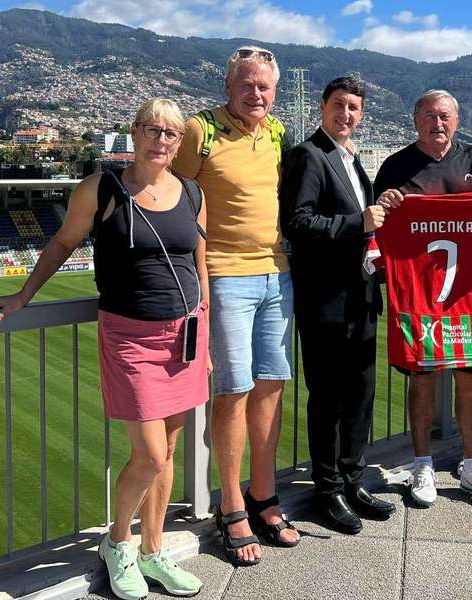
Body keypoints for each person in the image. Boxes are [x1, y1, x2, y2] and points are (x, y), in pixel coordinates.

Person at [0, 98, 206, 598]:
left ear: (179, 142)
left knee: (168, 449)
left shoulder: (191, 192)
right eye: (151, 129)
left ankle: (154, 551)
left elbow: (198, 263)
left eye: (170, 133)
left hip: (184, 335)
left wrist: (204, 330)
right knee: (149, 456)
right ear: (134, 132)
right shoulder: (103, 188)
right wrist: (22, 295)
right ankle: (118, 543)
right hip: (129, 336)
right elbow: (60, 244)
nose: (160, 140)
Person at [171, 45, 299, 566]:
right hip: (224, 277)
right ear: (228, 87)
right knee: (233, 390)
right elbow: (174, 196)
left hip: (278, 275)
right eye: (247, 84)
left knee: (271, 385)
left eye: (264, 86)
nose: (256, 94)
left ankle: (264, 496)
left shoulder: (277, 132)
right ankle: (231, 505)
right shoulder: (200, 131)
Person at [375, 89, 472, 511]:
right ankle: (422, 464)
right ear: (415, 119)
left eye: (445, 116)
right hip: (418, 298)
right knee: (421, 379)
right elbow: (377, 223)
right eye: (429, 115)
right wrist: (384, 206)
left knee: (471, 378)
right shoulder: (396, 166)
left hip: (469, 296)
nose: (438, 123)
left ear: (456, 121)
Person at [279, 75, 395, 534]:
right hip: (327, 302)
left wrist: (373, 213)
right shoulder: (308, 155)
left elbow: (358, 225)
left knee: (360, 396)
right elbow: (298, 223)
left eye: (353, 108)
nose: (346, 114)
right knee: (328, 400)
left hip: (361, 298)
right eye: (339, 105)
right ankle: (326, 490)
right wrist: (358, 220)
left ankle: (353, 479)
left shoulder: (349, 160)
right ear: (323, 107)